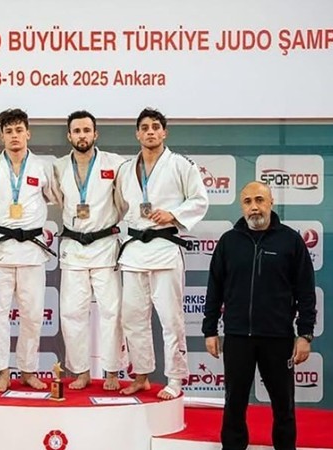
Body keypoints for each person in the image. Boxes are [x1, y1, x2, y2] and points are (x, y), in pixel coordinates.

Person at [202, 181, 316, 450]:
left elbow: (306, 290)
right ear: (242, 206)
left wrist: (305, 334)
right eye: (248, 201)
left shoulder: (290, 241)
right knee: (234, 403)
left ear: (271, 202)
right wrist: (209, 330)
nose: (254, 207)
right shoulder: (229, 242)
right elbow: (214, 288)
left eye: (259, 200)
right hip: (237, 337)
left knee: (283, 405)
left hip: (278, 337)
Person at [115, 108, 209, 398]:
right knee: (133, 318)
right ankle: (141, 375)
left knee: (171, 319)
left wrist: (174, 214)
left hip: (165, 249)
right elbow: (121, 205)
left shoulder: (181, 165)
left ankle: (176, 378)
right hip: (134, 251)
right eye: (144, 127)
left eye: (155, 127)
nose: (150, 132)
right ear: (137, 134)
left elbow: (200, 200)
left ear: (164, 132)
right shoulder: (126, 169)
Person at [0, 108, 58, 393]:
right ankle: (1, 371)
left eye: (19, 130)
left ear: (28, 133)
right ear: (2, 136)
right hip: (2, 249)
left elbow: (58, 197)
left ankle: (27, 370)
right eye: (9, 131)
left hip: (32, 251)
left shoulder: (42, 167)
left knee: (32, 315)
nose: (14, 136)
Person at [53, 110, 126, 390]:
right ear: (69, 135)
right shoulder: (59, 167)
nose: (82, 135)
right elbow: (58, 199)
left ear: (95, 134)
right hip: (74, 246)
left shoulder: (114, 164)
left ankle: (112, 371)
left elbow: (123, 201)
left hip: (105, 244)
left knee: (111, 312)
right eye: (77, 131)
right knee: (72, 312)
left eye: (87, 130)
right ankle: (81, 371)